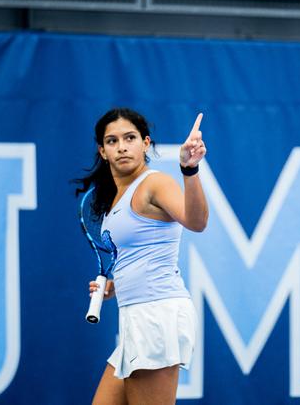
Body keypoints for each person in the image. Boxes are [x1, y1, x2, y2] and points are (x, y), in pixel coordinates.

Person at [76, 107, 208, 405]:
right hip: (135, 317)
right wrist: (114, 287)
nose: (122, 146)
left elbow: (196, 221)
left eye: (130, 138)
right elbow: (141, 256)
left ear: (145, 143)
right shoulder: (116, 199)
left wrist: (189, 170)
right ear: (103, 151)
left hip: (157, 315)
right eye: (112, 141)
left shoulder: (154, 183)